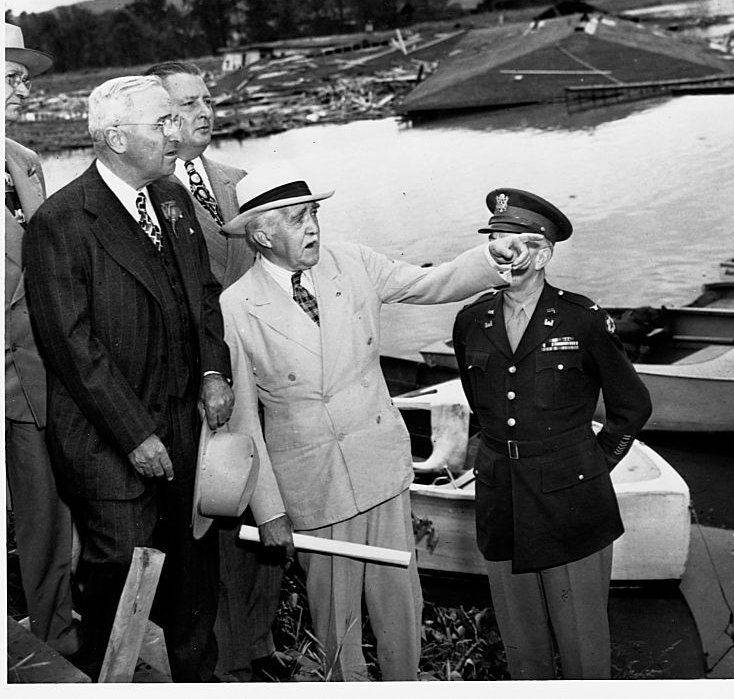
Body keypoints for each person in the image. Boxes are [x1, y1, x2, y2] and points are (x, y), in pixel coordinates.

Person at [217, 164, 540, 681]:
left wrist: (490, 257)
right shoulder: (234, 307)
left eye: (315, 213)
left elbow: (430, 283)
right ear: (262, 233)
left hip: (379, 468)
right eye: (299, 219)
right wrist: (269, 510)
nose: (314, 227)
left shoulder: (354, 263)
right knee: (334, 615)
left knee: (399, 605)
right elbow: (242, 422)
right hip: (313, 485)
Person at [23, 75, 234, 681]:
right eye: (161, 123)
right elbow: (72, 348)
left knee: (194, 574)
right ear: (115, 137)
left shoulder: (172, 198)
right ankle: (103, 681)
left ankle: (199, 682)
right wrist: (135, 435)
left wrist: (214, 369)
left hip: (185, 431)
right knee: (119, 577)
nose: (176, 134)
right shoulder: (62, 221)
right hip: (109, 443)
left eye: (175, 120)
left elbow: (203, 294)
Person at [451, 188, 653, 679]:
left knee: (583, 650)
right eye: (494, 240)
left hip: (572, 505)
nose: (500, 251)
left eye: (513, 241)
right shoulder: (470, 320)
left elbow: (632, 407)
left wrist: (591, 462)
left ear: (542, 254)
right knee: (525, 652)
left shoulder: (581, 320)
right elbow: (483, 406)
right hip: (503, 502)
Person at [144, 61, 284, 682]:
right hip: (198, 386)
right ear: (159, 116)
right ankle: (224, 660)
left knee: (268, 503)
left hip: (263, 377)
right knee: (215, 517)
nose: (206, 112)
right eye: (189, 103)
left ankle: (262, 643)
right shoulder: (144, 193)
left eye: (209, 99)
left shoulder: (241, 181)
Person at [5, 22, 80, 658]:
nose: (22, 89)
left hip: (44, 373)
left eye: (23, 77)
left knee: (51, 514)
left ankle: (59, 637)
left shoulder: (26, 163)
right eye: (10, 75)